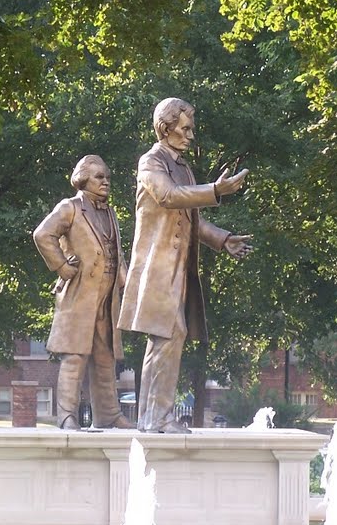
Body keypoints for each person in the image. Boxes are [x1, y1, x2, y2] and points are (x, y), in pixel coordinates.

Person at [118, 98, 252, 433]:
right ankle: (157, 417)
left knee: (167, 336)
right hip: (157, 266)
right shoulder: (150, 162)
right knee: (170, 332)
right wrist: (215, 190)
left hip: (178, 267)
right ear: (166, 127)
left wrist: (222, 239)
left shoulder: (183, 167)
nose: (191, 135)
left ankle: (153, 417)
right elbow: (169, 196)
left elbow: (192, 218)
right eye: (186, 127)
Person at [33, 155, 134, 430]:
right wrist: (61, 267)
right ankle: (66, 415)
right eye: (99, 176)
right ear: (83, 178)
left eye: (108, 177)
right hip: (80, 294)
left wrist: (125, 281)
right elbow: (42, 234)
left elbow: (116, 251)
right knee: (75, 355)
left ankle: (109, 414)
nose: (105, 182)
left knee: (105, 358)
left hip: (107, 296)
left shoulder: (110, 212)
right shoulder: (70, 208)